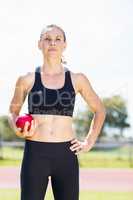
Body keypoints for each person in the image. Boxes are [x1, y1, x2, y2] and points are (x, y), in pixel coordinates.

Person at [9, 24, 106, 200]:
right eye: (47, 39)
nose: (52, 43)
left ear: (64, 45)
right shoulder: (27, 79)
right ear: (39, 44)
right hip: (35, 154)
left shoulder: (78, 79)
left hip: (66, 154)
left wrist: (89, 141)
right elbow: (12, 111)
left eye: (57, 39)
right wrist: (16, 128)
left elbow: (100, 110)